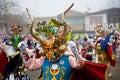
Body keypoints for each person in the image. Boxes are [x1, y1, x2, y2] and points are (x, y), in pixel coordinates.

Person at [20, 18, 108, 80]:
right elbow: (30, 65)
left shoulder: (68, 58)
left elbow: (79, 64)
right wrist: (24, 51)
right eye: (48, 49)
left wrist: (75, 52)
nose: (51, 52)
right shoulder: (44, 59)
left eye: (54, 48)